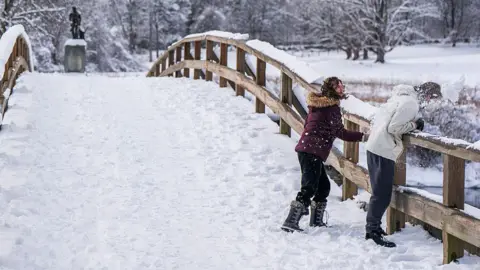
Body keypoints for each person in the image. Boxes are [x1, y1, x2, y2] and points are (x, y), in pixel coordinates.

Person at [281, 77, 367, 233]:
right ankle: (291, 221)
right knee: (309, 187)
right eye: (337, 87)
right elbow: (341, 132)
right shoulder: (331, 108)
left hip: (308, 149)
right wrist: (363, 136)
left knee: (323, 187)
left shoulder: (316, 105)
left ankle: (316, 221)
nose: (341, 89)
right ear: (330, 90)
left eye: (342, 85)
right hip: (312, 151)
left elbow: (309, 125)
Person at [364, 82, 441, 247]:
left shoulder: (399, 99)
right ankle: (372, 231)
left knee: (379, 192)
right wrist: (415, 125)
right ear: (428, 95)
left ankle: (373, 228)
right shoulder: (410, 104)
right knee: (382, 194)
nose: (429, 101)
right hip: (383, 149)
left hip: (374, 146)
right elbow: (394, 128)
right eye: (431, 98)